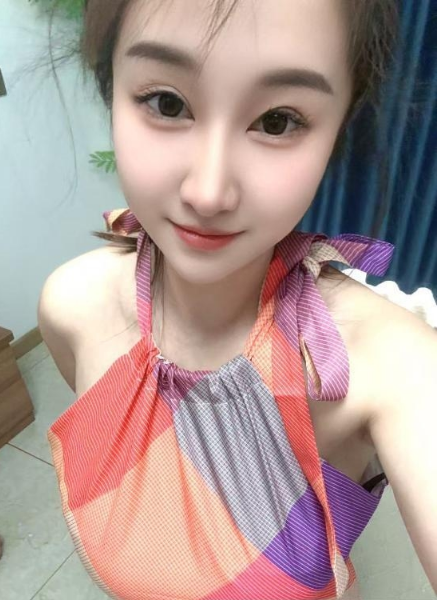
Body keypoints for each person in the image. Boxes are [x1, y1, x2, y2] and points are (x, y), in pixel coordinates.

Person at [38, 0, 437, 598]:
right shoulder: (73, 305)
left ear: (338, 129)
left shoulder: (391, 365)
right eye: (166, 103)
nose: (208, 192)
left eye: (277, 121)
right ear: (110, 91)